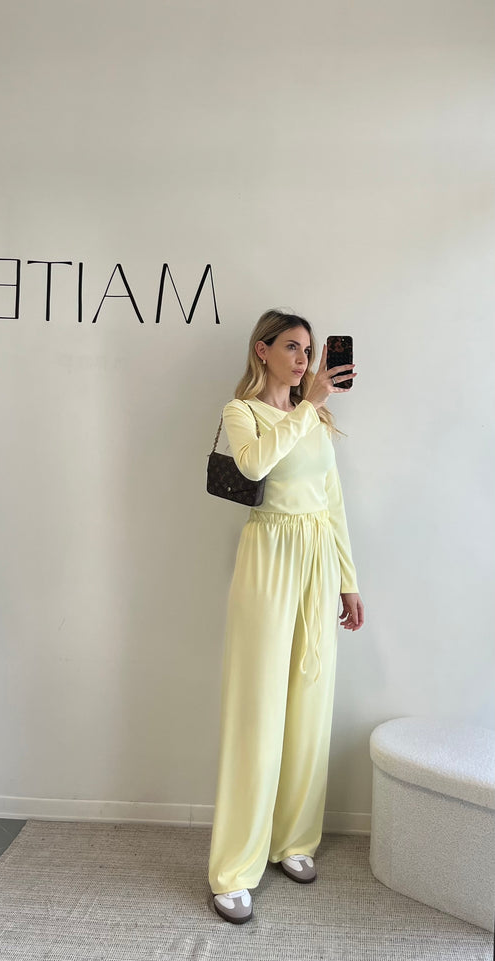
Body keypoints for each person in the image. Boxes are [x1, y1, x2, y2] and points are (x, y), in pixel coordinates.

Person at [208, 309, 364, 924]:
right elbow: (253, 466)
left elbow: (333, 501)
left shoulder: (316, 418)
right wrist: (309, 405)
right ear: (263, 350)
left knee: (310, 701)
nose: (304, 360)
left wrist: (348, 580)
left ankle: (293, 839)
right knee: (258, 708)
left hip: (318, 558)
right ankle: (233, 868)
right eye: (293, 348)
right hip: (269, 555)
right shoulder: (242, 412)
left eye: (309, 350)